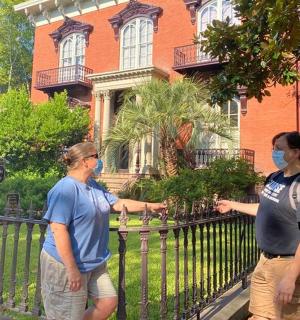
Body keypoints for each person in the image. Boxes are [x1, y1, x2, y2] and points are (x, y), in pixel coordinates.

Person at [40, 142, 167, 320]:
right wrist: (72, 269)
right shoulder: (65, 189)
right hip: (65, 264)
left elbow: (118, 203)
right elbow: (58, 230)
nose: (100, 161)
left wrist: (152, 206)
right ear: (85, 161)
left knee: (107, 301)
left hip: (94, 263)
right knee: (66, 315)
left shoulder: (93, 186)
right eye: (96, 156)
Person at [216, 131, 300, 320]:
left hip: (287, 265)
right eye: (273, 148)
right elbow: (264, 208)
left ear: (295, 152)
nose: (274, 152)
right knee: (259, 315)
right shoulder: (274, 177)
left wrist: (290, 277)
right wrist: (232, 205)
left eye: (279, 149)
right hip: (264, 262)